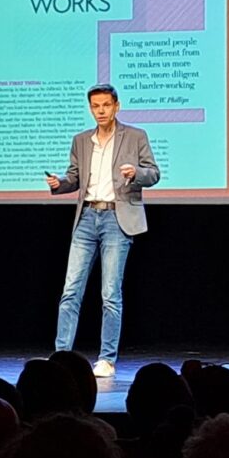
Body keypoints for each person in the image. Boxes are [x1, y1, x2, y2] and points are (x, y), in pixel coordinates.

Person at [46, 83, 160, 378]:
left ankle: (107, 359)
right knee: (70, 290)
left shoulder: (135, 136)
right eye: (95, 106)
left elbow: (154, 173)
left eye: (106, 105)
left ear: (116, 106)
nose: (101, 111)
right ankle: (61, 354)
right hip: (86, 217)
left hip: (116, 219)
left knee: (110, 293)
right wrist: (60, 183)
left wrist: (136, 173)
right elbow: (74, 178)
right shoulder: (81, 140)